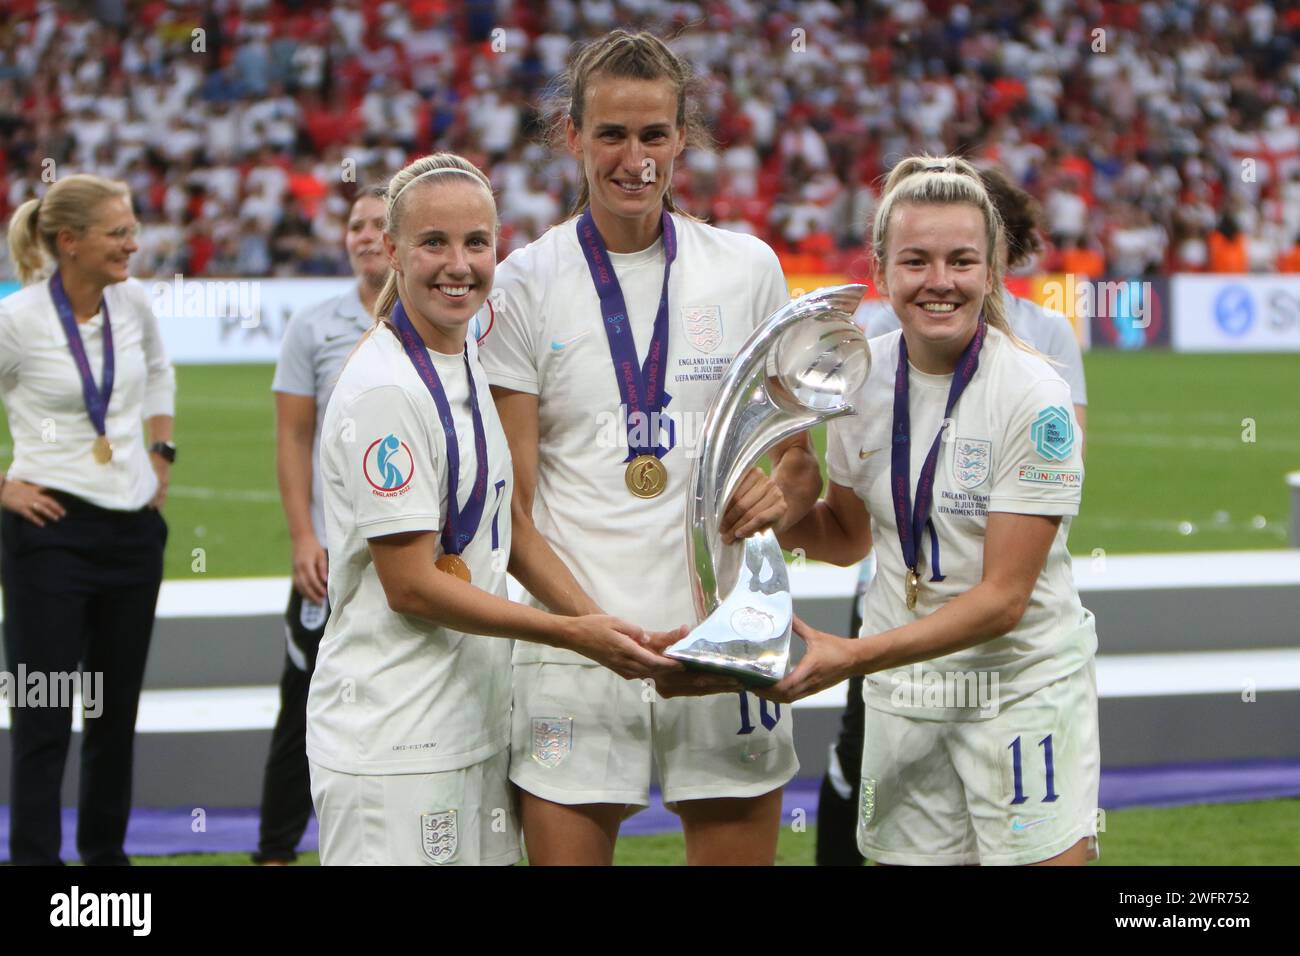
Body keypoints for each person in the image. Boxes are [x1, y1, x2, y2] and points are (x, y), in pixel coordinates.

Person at [477, 31, 823, 866]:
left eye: (654, 135)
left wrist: (790, 489)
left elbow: (802, 465)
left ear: (682, 138)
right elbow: (510, 510)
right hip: (575, 641)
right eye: (612, 135)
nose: (634, 158)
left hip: (726, 632)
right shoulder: (522, 282)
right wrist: (587, 628)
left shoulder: (747, 269)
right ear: (573, 136)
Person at [306, 153, 697, 867]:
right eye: (434, 243)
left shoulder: (465, 363)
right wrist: (573, 636)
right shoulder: (386, 389)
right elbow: (414, 585)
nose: (458, 264)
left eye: (476, 243)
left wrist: (595, 622)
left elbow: (504, 529)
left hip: (470, 726)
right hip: (394, 738)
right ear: (391, 250)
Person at [770, 155, 1099, 867]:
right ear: (883, 271)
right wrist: (783, 507)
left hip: (1018, 687)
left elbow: (1003, 601)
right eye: (916, 261)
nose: (940, 282)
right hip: (906, 691)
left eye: (961, 261)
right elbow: (847, 538)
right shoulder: (857, 379)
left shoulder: (1034, 395)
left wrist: (854, 656)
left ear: (992, 269)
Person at [0, 174, 176, 865]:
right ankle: (36, 864)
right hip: (49, 533)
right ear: (67, 242)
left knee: (113, 714)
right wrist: (4, 488)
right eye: (118, 233)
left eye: (132, 230)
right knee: (43, 717)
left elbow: (160, 372)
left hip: (132, 533)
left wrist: (160, 452)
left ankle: (106, 861)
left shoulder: (132, 303)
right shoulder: (18, 320)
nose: (132, 244)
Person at [252, 184, 388, 866]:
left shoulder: (448, 315)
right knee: (303, 700)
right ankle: (276, 850)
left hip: (416, 551)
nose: (364, 234)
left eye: (378, 224)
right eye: (355, 225)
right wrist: (305, 537)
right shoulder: (312, 325)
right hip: (333, 556)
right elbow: (292, 438)